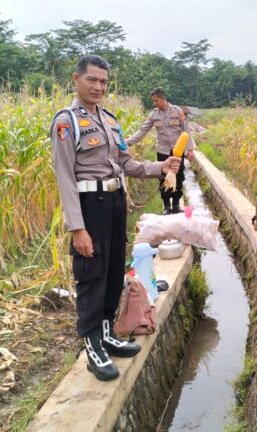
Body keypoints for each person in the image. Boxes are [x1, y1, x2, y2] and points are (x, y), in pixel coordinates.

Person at [50, 55, 181, 382]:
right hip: (89, 206)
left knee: (111, 273)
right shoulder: (67, 122)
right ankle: (93, 346)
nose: (98, 87)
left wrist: (160, 167)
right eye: (92, 80)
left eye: (104, 82)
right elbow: (65, 177)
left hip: (114, 202)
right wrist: (77, 228)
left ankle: (108, 333)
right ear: (76, 79)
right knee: (91, 276)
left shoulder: (109, 121)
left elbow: (127, 163)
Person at [126, 88, 195, 214]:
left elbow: (186, 130)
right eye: (153, 101)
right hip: (163, 151)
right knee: (163, 177)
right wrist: (128, 143)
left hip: (177, 150)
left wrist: (190, 149)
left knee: (178, 176)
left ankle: (176, 205)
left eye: (156, 100)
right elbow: (142, 131)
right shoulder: (153, 114)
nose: (154, 103)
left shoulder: (177, 111)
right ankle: (167, 206)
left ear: (163, 98)